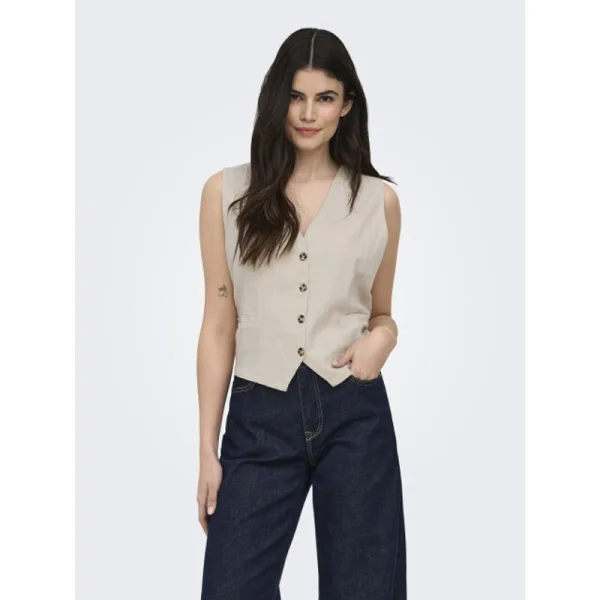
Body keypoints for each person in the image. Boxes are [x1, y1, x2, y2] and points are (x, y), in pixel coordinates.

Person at [196, 27, 406, 599]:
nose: (308, 114)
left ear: (347, 105)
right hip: (258, 416)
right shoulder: (226, 193)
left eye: (324, 98)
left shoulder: (379, 201)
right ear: (276, 99)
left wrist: (384, 338)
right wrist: (208, 451)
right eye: (295, 96)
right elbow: (219, 324)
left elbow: (382, 314)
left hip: (354, 411)